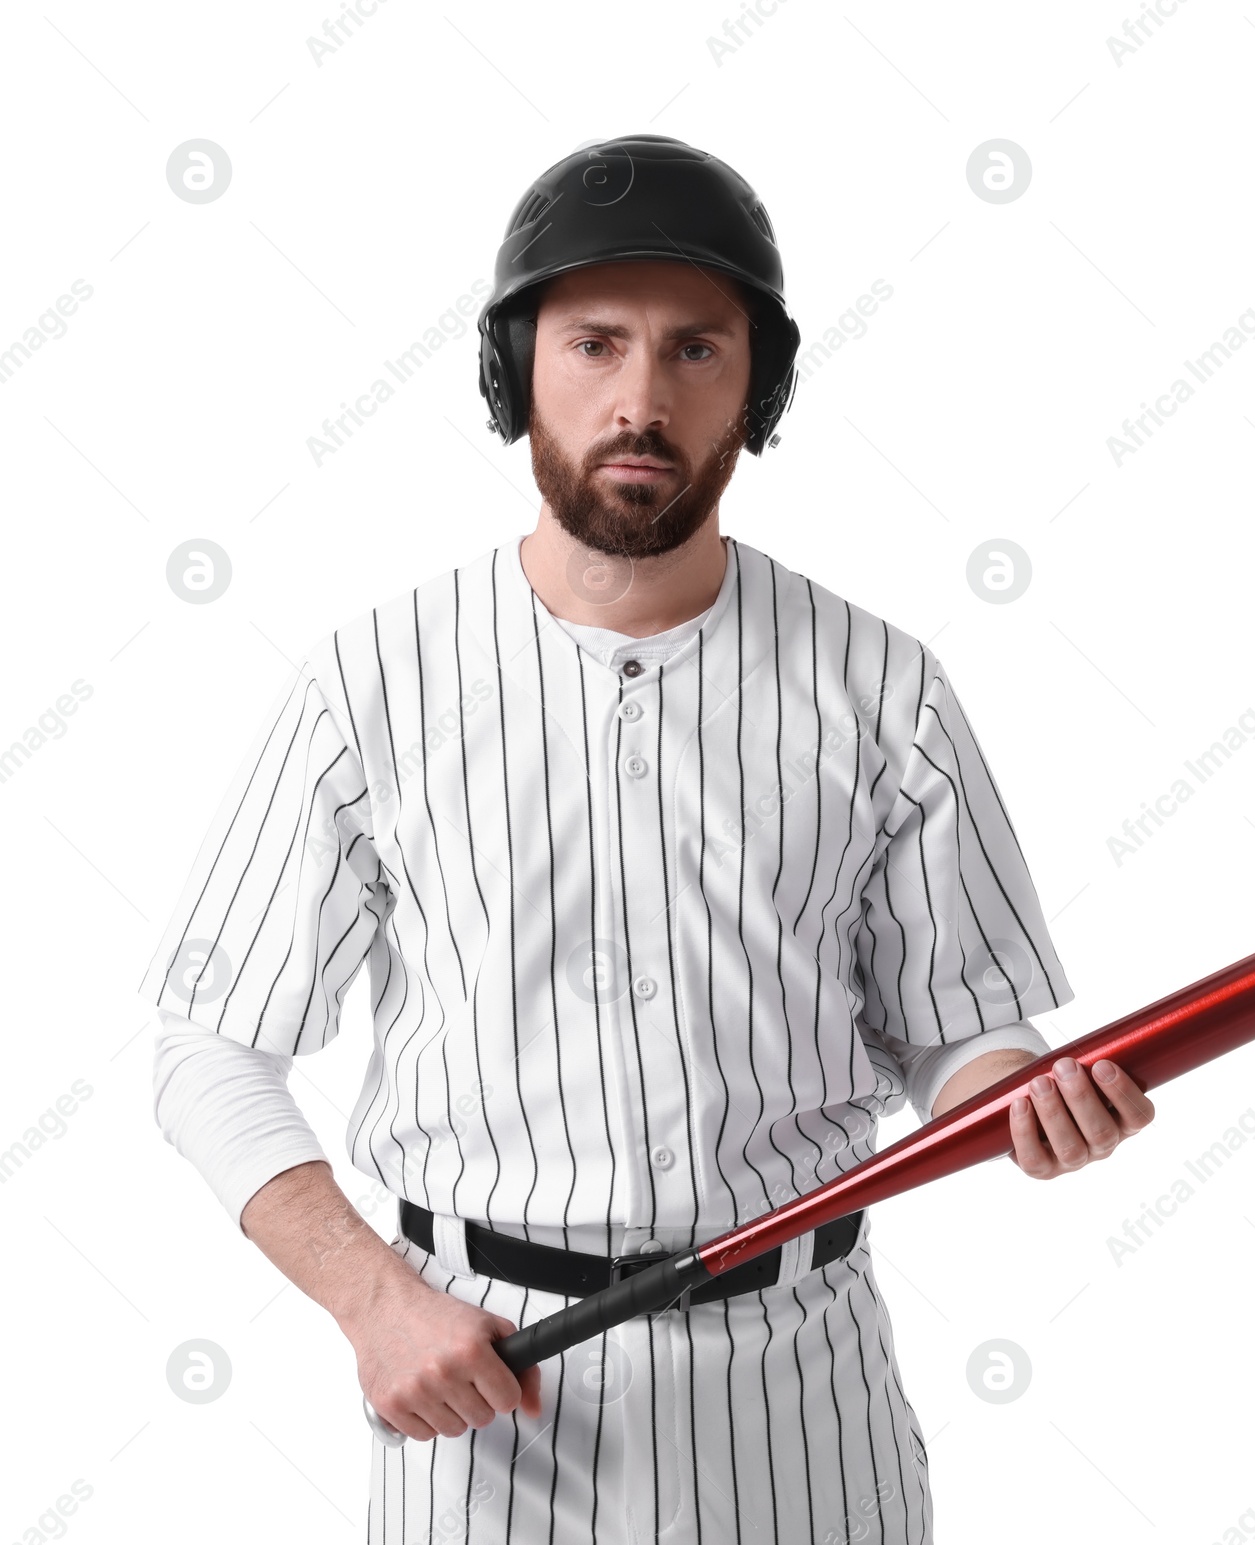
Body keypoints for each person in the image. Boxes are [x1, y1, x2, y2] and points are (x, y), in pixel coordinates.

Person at [138, 135, 1155, 1544]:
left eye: (695, 351)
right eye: (594, 343)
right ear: (514, 373)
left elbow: (958, 1030)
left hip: (802, 1404)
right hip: (483, 1394)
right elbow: (206, 1046)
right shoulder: (370, 681)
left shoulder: (883, 685)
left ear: (759, 387)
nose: (640, 398)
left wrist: (1022, 1096)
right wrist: (373, 1300)